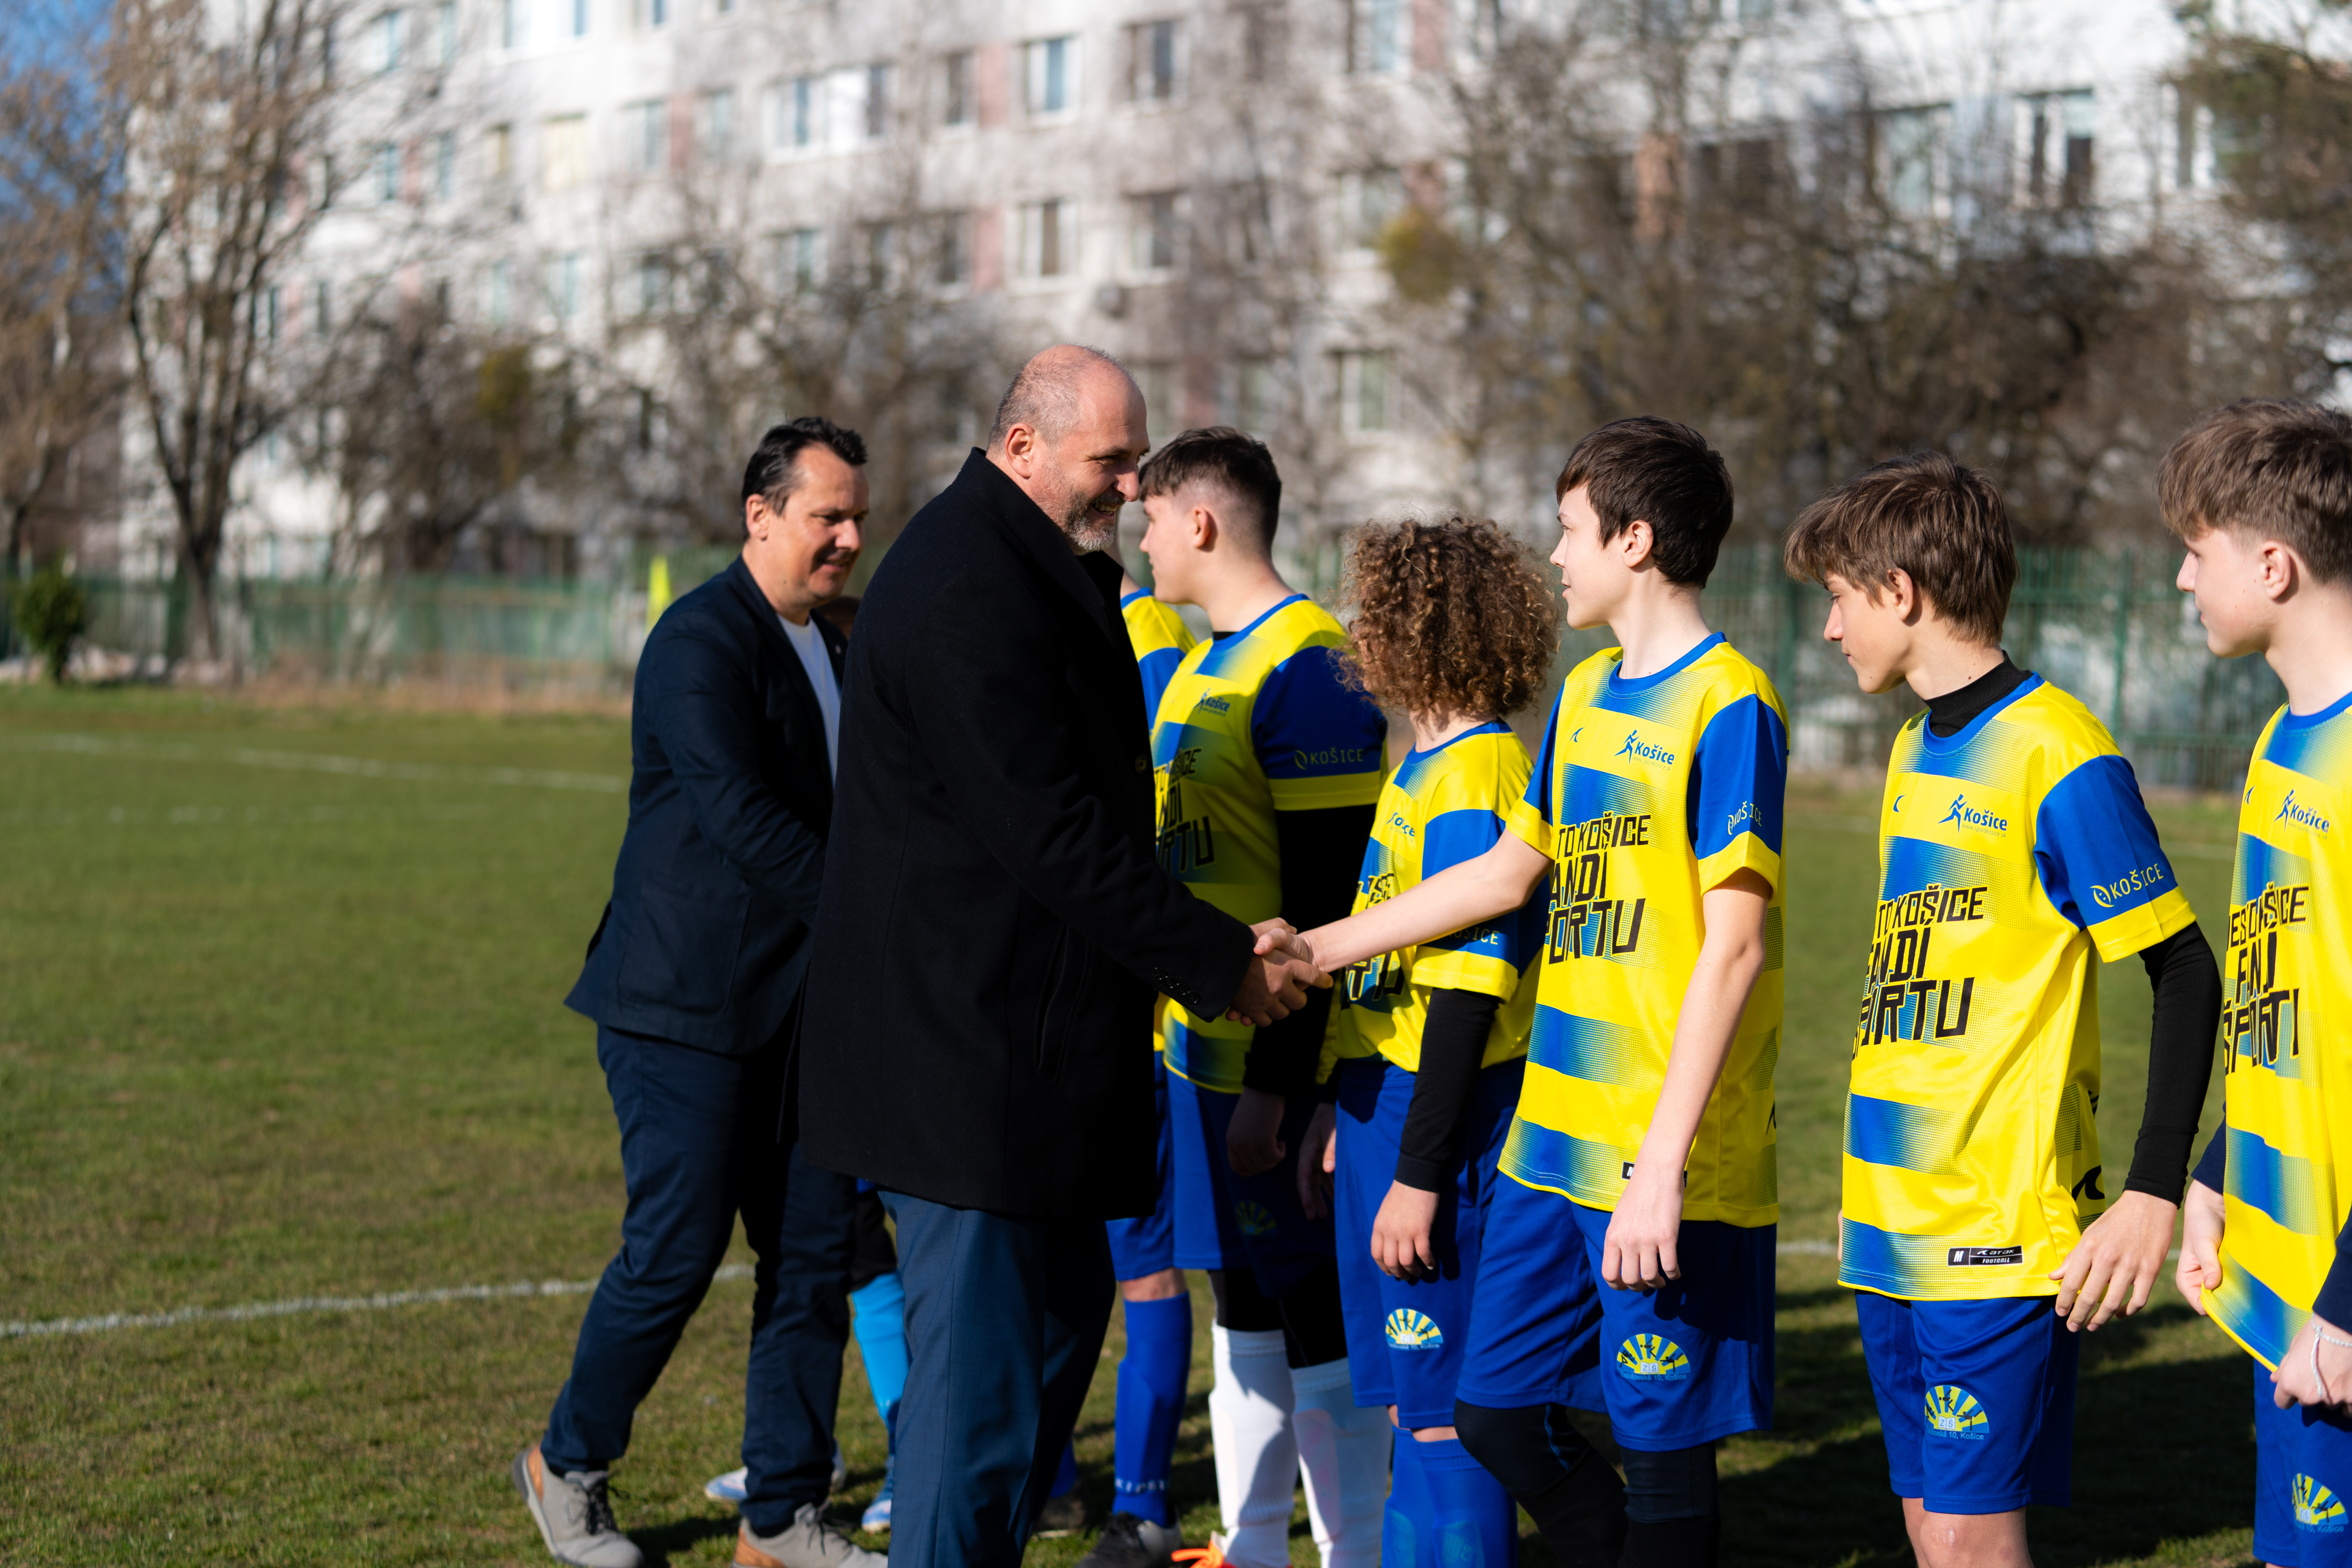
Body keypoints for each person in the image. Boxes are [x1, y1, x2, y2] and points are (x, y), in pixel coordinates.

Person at [794, 346, 1325, 1568]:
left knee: (1036, 1380)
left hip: (1031, 1075)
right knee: (977, 1419)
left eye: (1137, 461)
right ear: (1022, 446)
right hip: (962, 1077)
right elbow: (1053, 833)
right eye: (1112, 460)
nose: (1135, 487)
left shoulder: (1035, 564)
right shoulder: (966, 586)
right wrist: (1221, 963)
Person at [1271, 417, 1789, 1567]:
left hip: (1660, 1149)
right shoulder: (1591, 695)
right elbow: (1503, 874)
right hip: (1549, 1141)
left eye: (1571, 531)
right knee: (1497, 1408)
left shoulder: (1732, 703)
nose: (1555, 558)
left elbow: (1736, 949)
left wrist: (1663, 1163)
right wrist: (1316, 950)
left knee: (1661, 1449)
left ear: (1638, 540)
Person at [1782, 451, 2221, 1568]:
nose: (1831, 631)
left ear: (1902, 592)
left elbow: (2184, 971)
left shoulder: (2060, 752)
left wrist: (2152, 1189)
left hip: (1998, 1229)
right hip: (1889, 1217)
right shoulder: (1910, 748)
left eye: (1838, 598)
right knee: (1935, 1536)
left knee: (1978, 1546)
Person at [514, 418, 882, 1568]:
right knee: (673, 1254)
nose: (850, 538)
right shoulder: (697, 641)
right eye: (828, 516)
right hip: (681, 1012)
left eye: (856, 516)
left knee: (814, 1257)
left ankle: (780, 1517)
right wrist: (885, 922)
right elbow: (741, 822)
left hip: (806, 1013)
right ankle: (565, 1465)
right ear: (759, 515)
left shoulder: (835, 640)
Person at [1132, 426, 1394, 1568]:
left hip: (1270, 1070)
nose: (1141, 538)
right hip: (1195, 1057)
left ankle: (1358, 1553)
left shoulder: (1312, 665)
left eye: (1149, 516)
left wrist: (1289, 1089)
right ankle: (1251, 1545)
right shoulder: (1200, 661)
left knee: (1316, 1314)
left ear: (1200, 522)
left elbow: (1331, 898)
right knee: (1239, 1301)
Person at [1296, 515, 1560, 1568]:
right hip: (1379, 1102)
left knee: (1445, 1415)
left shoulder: (1475, 772)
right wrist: (1331, 1095)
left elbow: (1463, 991)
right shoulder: (1425, 763)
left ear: (1415, 632)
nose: (1359, 637)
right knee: (1415, 1414)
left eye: (1373, 616)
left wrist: (1417, 1172)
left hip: (1432, 1117)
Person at [2163, 400, 2352, 1568]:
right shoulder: (2283, 742)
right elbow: (2294, 1000)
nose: (2183, 581)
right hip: (2292, 1284)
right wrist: (2220, 1170)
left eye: (2198, 550)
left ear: (2273, 564)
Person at [1069, 572, 1203, 1563]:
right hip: (1072, 1011)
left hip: (1127, 1018)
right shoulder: (1081, 615)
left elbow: (1149, 827)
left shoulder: (1140, 631)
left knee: (1140, 1269)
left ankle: (1140, 1496)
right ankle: (1070, 1482)